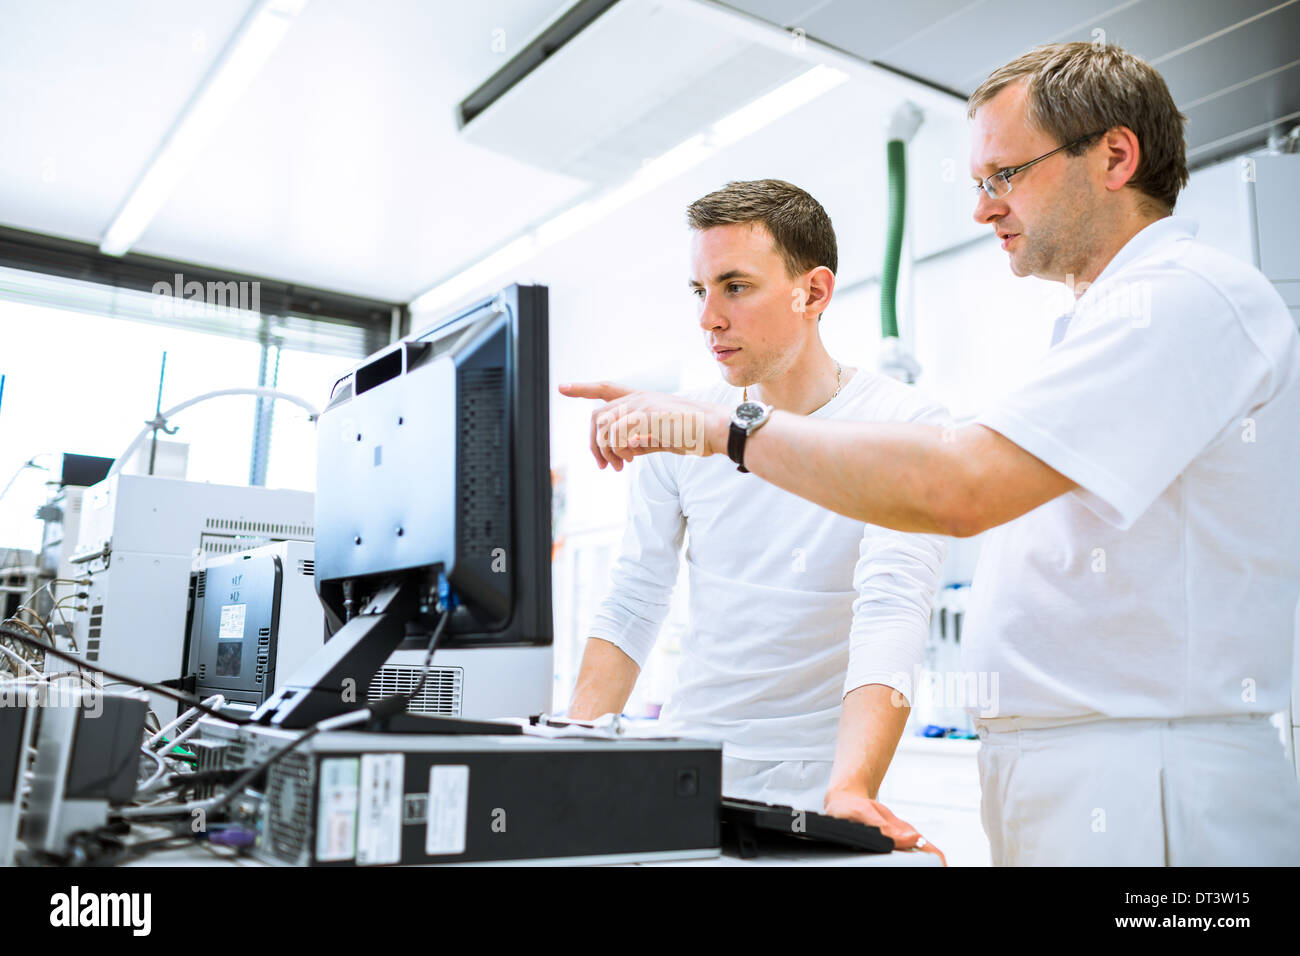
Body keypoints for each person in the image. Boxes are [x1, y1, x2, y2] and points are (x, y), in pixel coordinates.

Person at [564, 42, 1300, 866]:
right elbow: (637, 596)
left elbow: (957, 489)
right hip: (1082, 767)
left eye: (1004, 175)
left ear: (1115, 156)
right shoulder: (1104, 322)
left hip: (1148, 778)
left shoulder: (1182, 299)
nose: (984, 209)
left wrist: (719, 429)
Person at [560, 179, 950, 859]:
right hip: (692, 767)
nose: (709, 317)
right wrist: (567, 756)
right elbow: (633, 601)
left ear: (814, 292)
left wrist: (853, 786)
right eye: (699, 290)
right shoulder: (681, 427)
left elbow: (892, 611)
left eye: (735, 286)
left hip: (823, 780)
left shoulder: (905, 424)